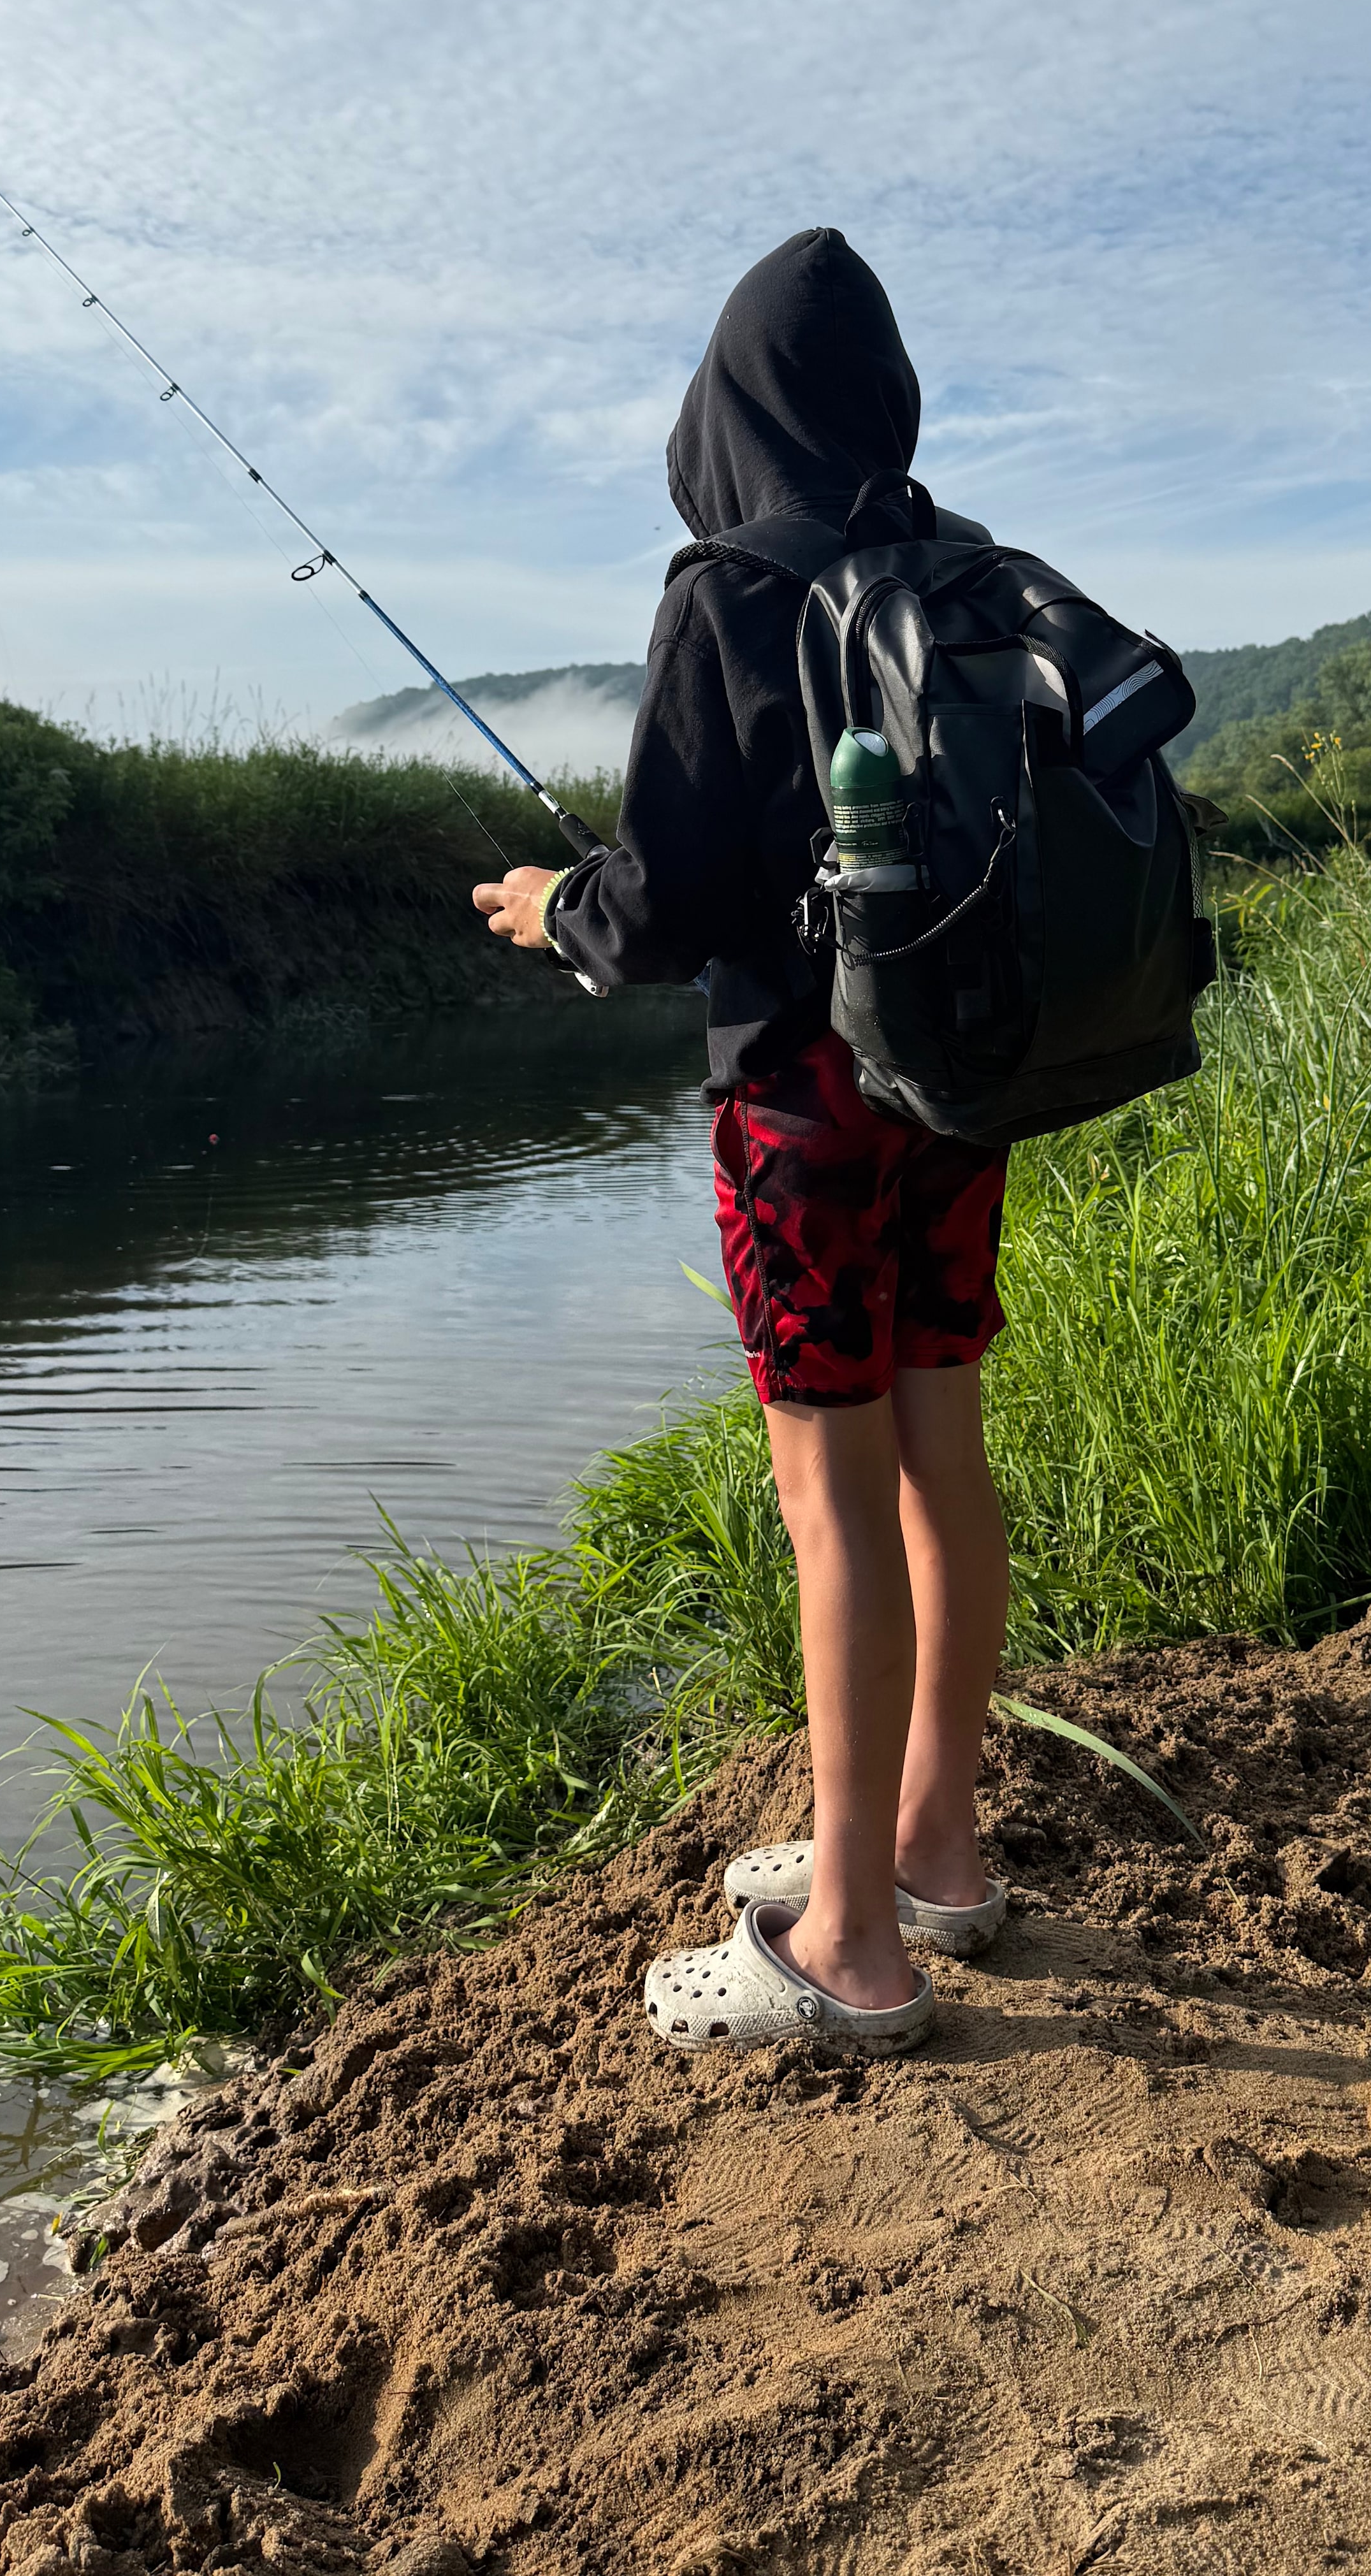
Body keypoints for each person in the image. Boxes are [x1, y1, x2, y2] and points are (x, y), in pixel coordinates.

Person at [472, 226, 1010, 2057]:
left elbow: (664, 896)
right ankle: (933, 1844)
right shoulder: (963, 570)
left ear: (731, 411)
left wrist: (552, 910)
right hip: (952, 1081)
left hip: (800, 1094)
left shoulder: (733, 587)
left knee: (826, 1497)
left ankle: (849, 1944)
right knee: (942, 1460)